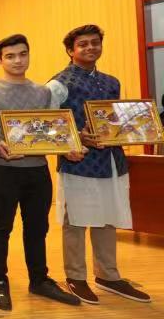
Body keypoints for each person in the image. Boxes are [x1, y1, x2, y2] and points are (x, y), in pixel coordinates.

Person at [47, 24, 151, 304]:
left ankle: (108, 275)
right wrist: (75, 138)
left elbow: (115, 120)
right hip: (78, 162)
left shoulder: (111, 82)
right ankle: (75, 277)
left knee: (107, 217)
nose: (91, 47)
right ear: (70, 50)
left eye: (95, 42)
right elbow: (46, 123)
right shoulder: (58, 84)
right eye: (83, 44)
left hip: (112, 160)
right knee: (76, 221)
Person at [0, 34, 81, 311]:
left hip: (37, 170)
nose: (17, 60)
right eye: (10, 56)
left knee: (37, 228)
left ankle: (39, 279)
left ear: (29, 55)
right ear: (0, 60)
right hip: (2, 171)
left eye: (22, 54)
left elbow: (50, 129)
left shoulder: (42, 92)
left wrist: (68, 144)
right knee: (0, 228)